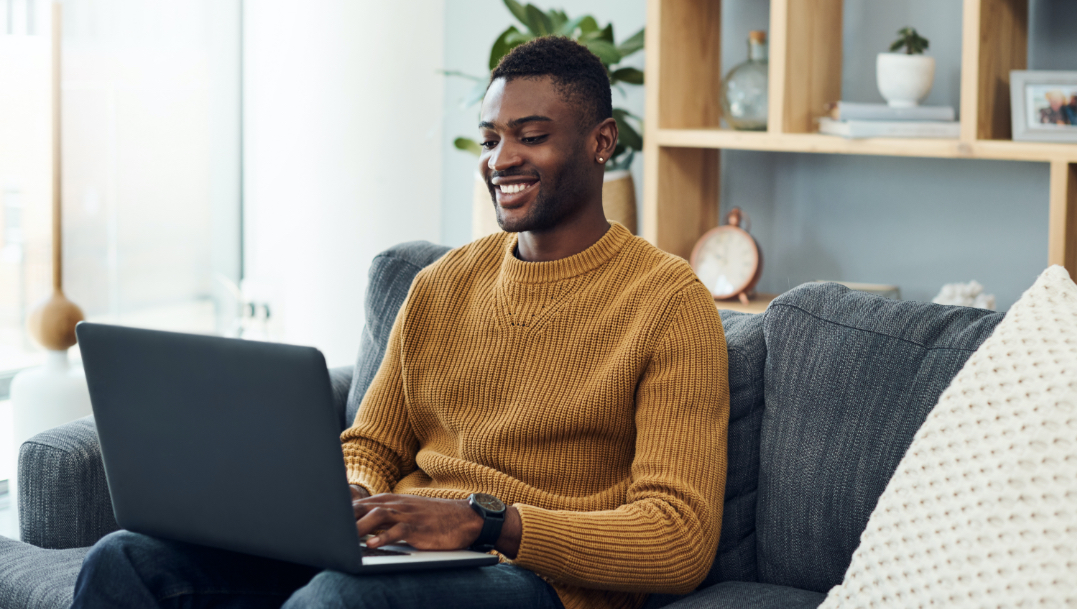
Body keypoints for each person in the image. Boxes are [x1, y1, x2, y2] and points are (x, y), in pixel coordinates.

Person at [71, 36, 730, 609]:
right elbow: (372, 444)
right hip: (401, 556)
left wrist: (483, 522)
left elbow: (676, 538)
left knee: (338, 599)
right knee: (126, 560)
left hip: (541, 582)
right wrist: (346, 503)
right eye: (491, 138)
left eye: (531, 136)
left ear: (601, 143)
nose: (501, 160)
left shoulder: (668, 302)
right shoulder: (441, 284)